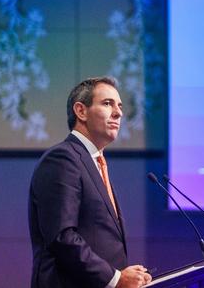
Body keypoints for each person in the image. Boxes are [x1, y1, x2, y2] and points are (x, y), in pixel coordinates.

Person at [28, 77, 152, 288]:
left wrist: (125, 277)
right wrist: (115, 278)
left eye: (120, 106)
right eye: (107, 103)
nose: (119, 113)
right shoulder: (62, 159)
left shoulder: (94, 163)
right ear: (81, 111)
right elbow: (62, 236)